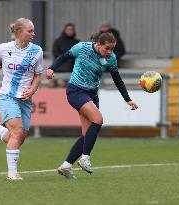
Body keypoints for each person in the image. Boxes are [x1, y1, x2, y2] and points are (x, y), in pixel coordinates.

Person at [46, 32, 138, 179]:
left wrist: (128, 99)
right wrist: (52, 68)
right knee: (98, 119)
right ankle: (85, 158)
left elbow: (118, 80)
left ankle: (66, 166)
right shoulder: (82, 48)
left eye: (112, 49)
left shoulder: (111, 58)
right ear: (98, 44)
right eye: (107, 48)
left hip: (92, 95)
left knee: (87, 135)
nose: (110, 52)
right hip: (76, 90)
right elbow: (64, 57)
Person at [0, 18, 44, 180]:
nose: (33, 34)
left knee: (17, 137)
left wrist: (31, 90)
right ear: (19, 32)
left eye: (33, 30)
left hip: (25, 99)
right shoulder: (5, 48)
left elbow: (38, 75)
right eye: (30, 31)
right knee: (16, 132)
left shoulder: (37, 51)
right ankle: (12, 173)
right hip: (7, 96)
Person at [50, 23, 79, 87]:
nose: (70, 31)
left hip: (72, 65)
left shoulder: (77, 42)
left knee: (66, 83)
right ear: (65, 30)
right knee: (51, 81)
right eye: (68, 29)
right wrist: (64, 58)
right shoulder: (58, 41)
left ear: (74, 31)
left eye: (71, 30)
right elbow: (55, 52)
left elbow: (79, 54)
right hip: (60, 65)